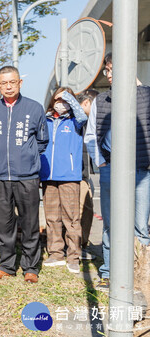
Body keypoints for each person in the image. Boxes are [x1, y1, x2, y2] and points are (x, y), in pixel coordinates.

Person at [84, 52, 150, 292]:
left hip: (141, 171)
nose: (109, 75)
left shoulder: (146, 96)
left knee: (140, 226)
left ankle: (139, 274)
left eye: (112, 70)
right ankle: (109, 273)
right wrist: (101, 162)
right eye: (107, 71)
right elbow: (91, 135)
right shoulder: (102, 101)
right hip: (110, 169)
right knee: (111, 225)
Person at [0, 66, 48, 284]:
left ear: (20, 83)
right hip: (0, 176)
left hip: (27, 177)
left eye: (12, 82)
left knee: (29, 223)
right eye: (3, 83)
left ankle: (30, 266)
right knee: (4, 224)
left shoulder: (34, 108)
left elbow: (42, 141)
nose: (8, 87)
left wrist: (27, 158)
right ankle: (7, 265)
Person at [40, 87, 87, 274]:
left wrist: (68, 97)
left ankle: (73, 256)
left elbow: (83, 116)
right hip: (48, 175)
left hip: (69, 176)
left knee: (72, 218)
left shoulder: (75, 120)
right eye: (58, 98)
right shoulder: (46, 120)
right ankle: (55, 253)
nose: (60, 102)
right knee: (52, 217)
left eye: (65, 99)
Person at [77, 89, 99, 261]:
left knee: (87, 211)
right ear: (85, 103)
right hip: (77, 174)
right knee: (80, 212)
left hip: (85, 175)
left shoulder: (87, 123)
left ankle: (81, 245)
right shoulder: (78, 121)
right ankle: (77, 247)